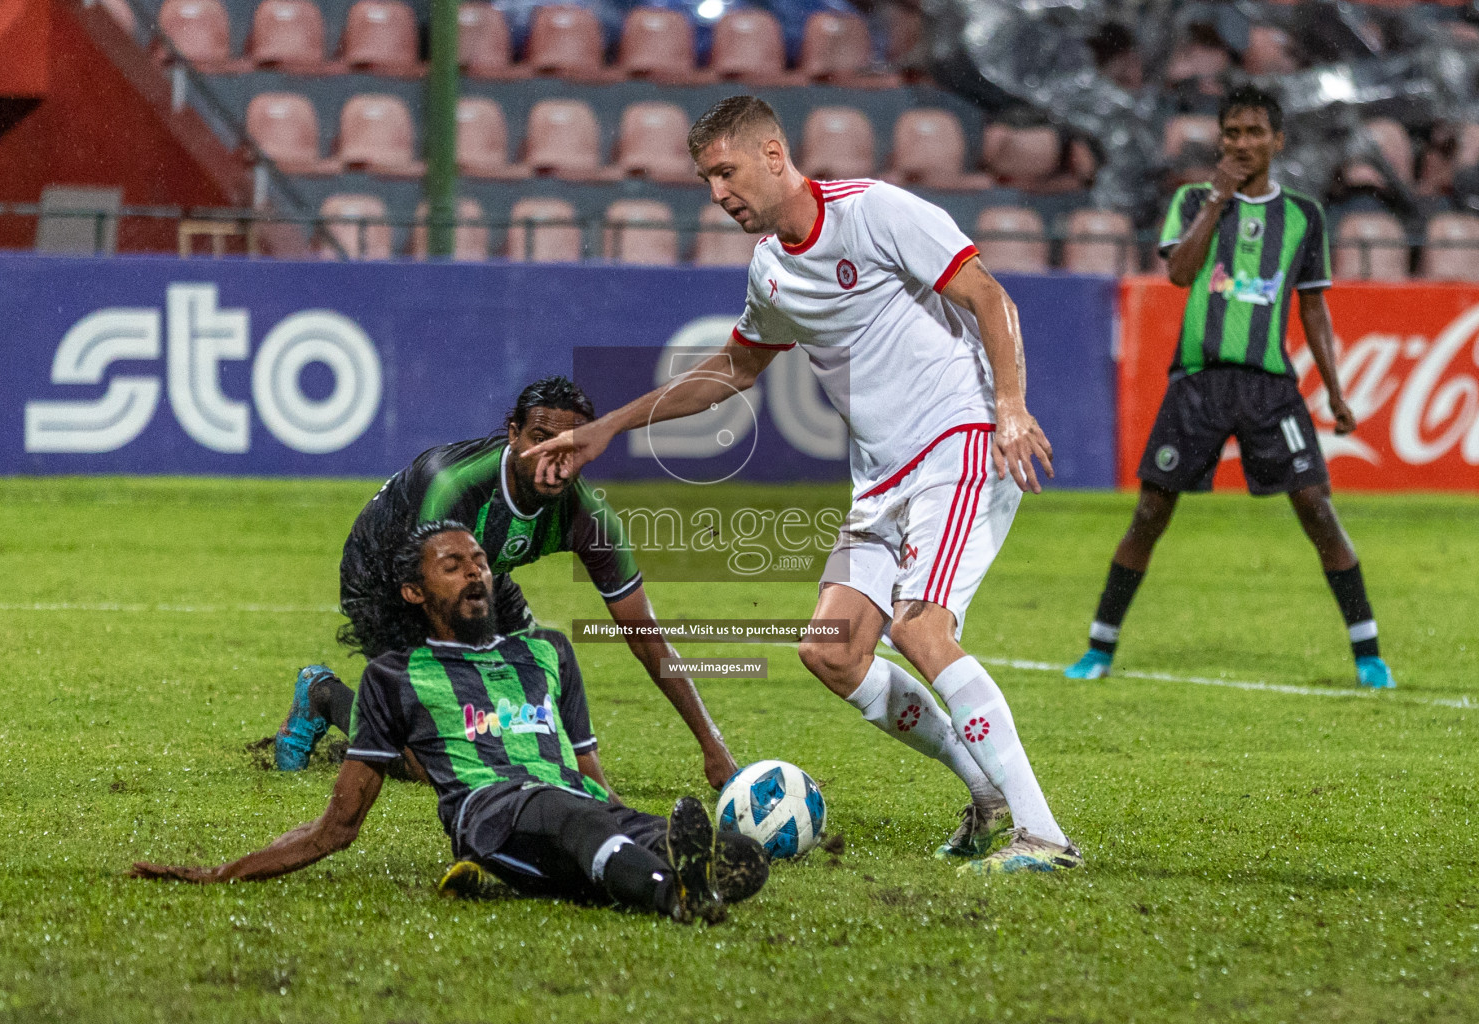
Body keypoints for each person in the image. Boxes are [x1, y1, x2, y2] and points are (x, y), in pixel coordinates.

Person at [525, 96, 1080, 874]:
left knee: (921, 630)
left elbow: (990, 295)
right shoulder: (771, 270)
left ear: (774, 154)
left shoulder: (875, 211)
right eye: (707, 179)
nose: (719, 193)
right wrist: (610, 426)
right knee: (832, 652)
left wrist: (1011, 407)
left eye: (727, 171)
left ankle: (1045, 837)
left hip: (959, 442)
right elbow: (733, 370)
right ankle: (987, 793)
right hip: (881, 476)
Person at [133, 521, 768, 924]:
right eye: (453, 564)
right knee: (575, 820)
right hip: (490, 813)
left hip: (572, 807)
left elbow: (590, 777)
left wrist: (636, 824)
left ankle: (618, 873)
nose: (475, 572)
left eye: (479, 560)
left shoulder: (547, 652)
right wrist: (223, 873)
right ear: (416, 592)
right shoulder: (394, 676)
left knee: (735, 852)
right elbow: (337, 826)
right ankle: (673, 897)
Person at [1064, 84, 1395, 690]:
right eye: (1232, 133)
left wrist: (1337, 390)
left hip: (1271, 387)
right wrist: (1217, 201)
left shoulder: (1303, 216)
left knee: (1317, 510)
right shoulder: (1194, 199)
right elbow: (1181, 272)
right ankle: (1099, 647)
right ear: (1220, 139)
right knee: (1150, 513)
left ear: (1277, 140)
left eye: (1254, 132)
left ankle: (1369, 654)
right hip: (1198, 382)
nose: (1242, 143)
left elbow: (1313, 307)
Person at [274, 376, 738, 790]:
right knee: (439, 758)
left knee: (526, 703)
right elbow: (437, 602)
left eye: (571, 444)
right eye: (540, 438)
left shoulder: (588, 520)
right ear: (513, 434)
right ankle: (323, 696)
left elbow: (645, 637)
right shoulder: (456, 487)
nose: (554, 457)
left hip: (480, 573)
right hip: (389, 575)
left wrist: (712, 744)